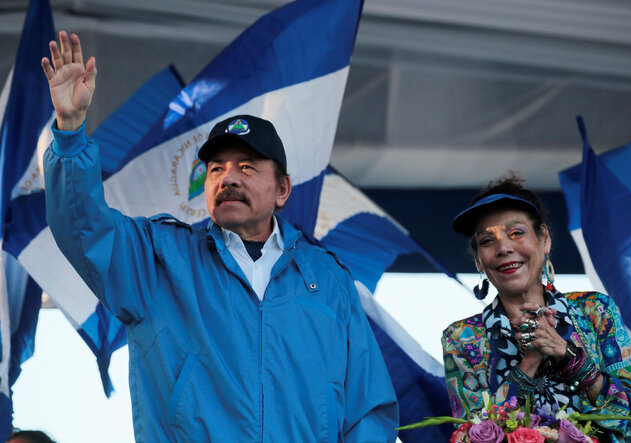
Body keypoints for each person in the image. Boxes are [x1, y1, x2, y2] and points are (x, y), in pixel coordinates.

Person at [41, 31, 398, 442]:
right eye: (215, 169)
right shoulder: (158, 257)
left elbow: (369, 408)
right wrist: (70, 131)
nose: (228, 177)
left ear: (283, 189)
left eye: (247, 167)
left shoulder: (329, 280)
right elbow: (82, 226)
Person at [441, 174, 631, 442]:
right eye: (487, 241)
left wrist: (566, 355)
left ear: (544, 239)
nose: (503, 247)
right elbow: (469, 436)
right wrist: (529, 361)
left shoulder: (595, 311)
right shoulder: (460, 338)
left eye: (516, 233)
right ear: (478, 260)